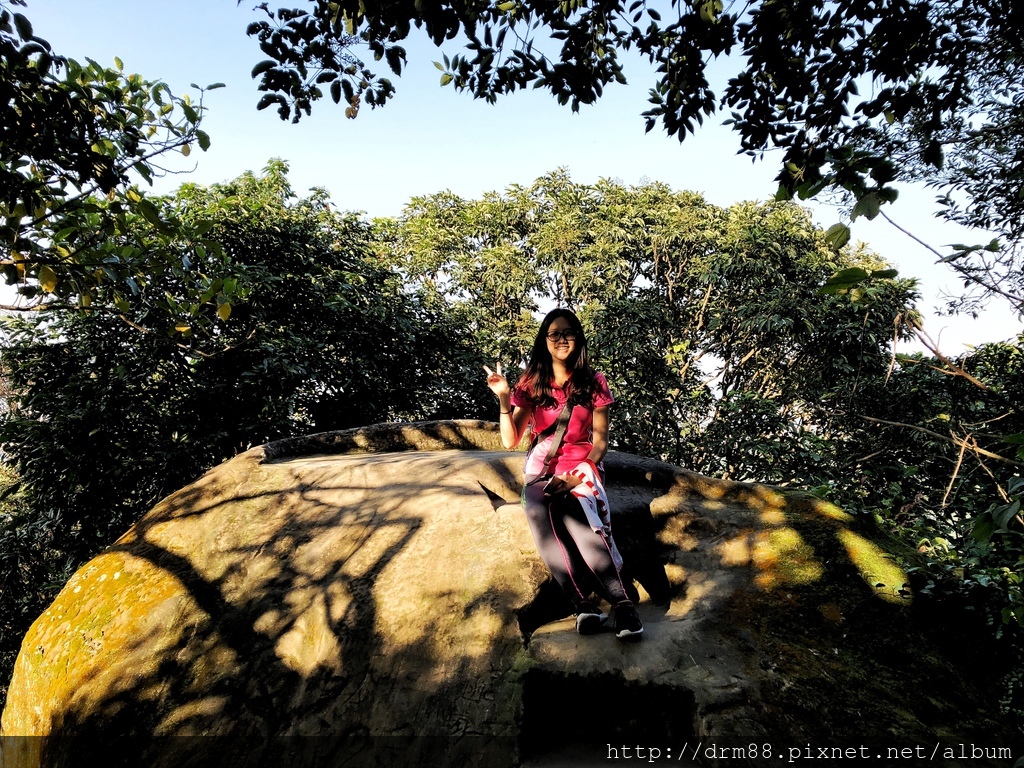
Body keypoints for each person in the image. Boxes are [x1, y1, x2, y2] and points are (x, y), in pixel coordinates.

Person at [484, 308, 643, 640]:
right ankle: (582, 605)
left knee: (576, 514)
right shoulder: (530, 382)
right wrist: (503, 398)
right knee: (538, 511)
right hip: (541, 469)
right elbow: (511, 440)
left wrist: (579, 474)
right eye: (554, 334)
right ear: (545, 340)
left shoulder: (594, 382)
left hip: (581, 466)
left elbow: (600, 440)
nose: (561, 340)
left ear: (578, 338)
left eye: (568, 333)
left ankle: (622, 604)